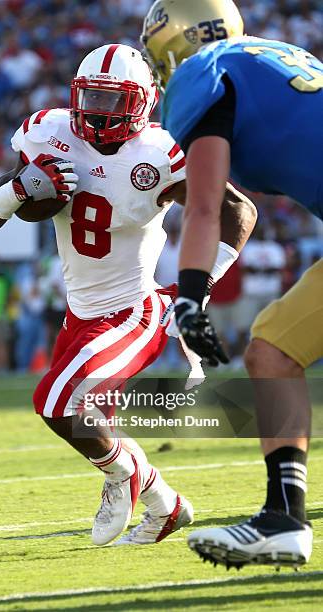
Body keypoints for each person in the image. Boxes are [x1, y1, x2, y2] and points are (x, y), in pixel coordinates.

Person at [0, 44, 256, 546]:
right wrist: (16, 190)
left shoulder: (161, 152)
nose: (100, 115)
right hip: (79, 313)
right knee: (91, 421)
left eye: (113, 102)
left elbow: (239, 212)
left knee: (58, 404)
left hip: (134, 311)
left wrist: (201, 288)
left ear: (143, 102)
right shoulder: (50, 131)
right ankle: (163, 504)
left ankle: (122, 476)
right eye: (92, 99)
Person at [142, 0, 322, 567]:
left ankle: (286, 519)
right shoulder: (281, 56)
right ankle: (283, 518)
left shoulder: (203, 75)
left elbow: (203, 208)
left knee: (273, 352)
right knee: (273, 349)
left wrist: (190, 297)